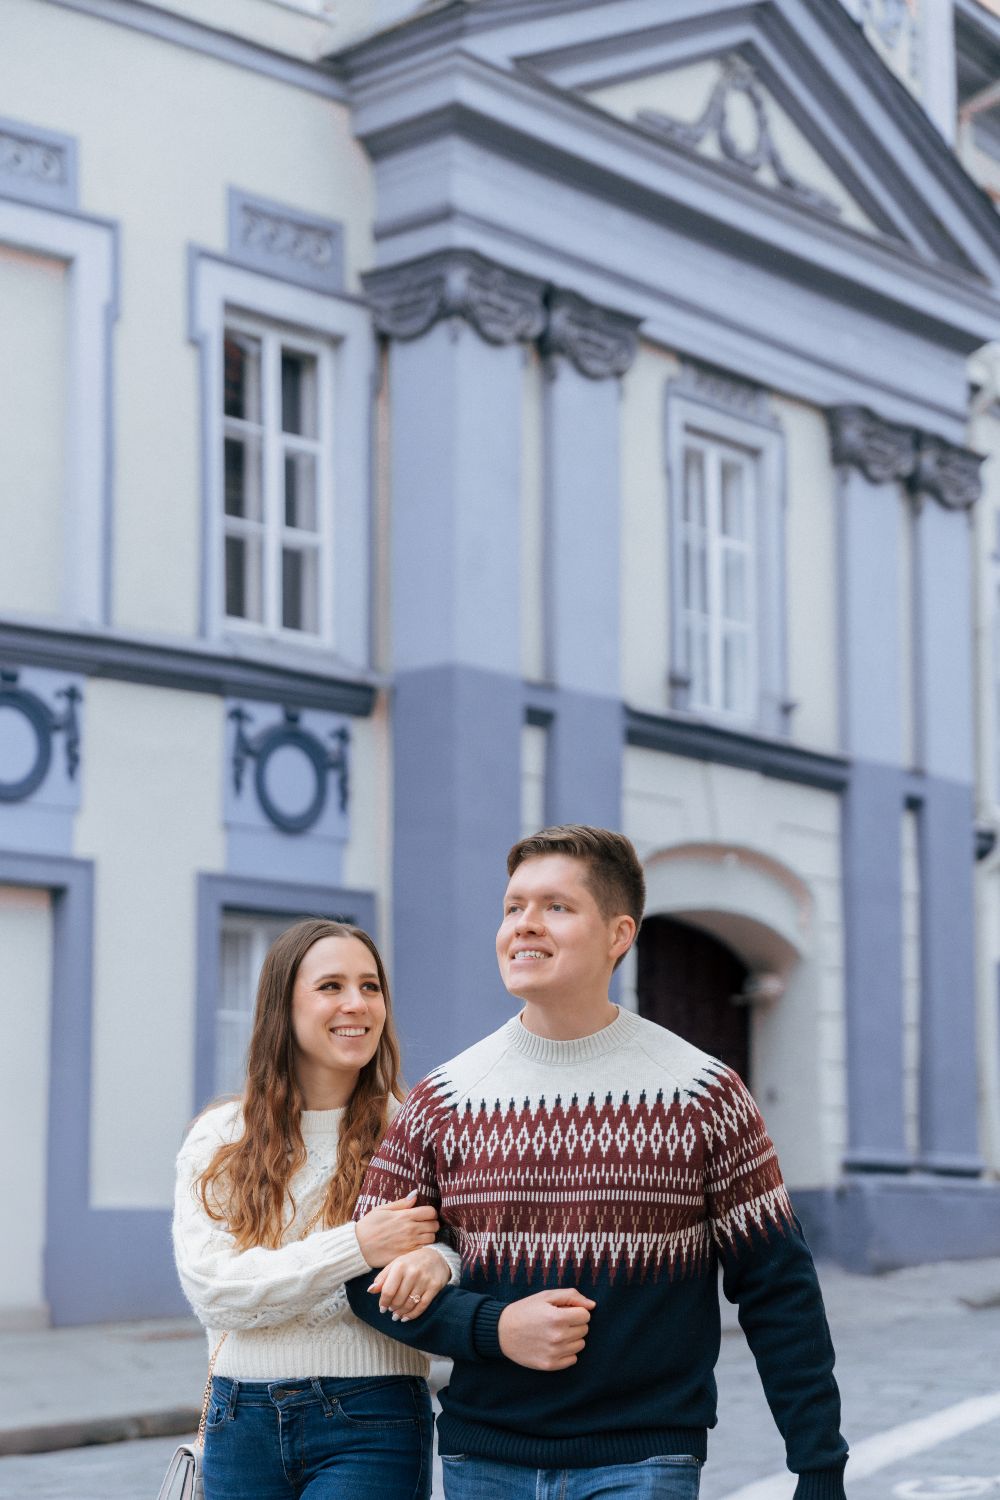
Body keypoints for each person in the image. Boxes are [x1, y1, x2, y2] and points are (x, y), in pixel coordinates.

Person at [345, 825, 849, 1500]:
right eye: (513, 907)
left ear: (618, 934)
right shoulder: (444, 1098)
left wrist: (818, 1464)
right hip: (482, 1461)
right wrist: (494, 1329)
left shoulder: (703, 1093)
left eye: (555, 906)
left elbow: (777, 1286)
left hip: (643, 1462)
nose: (524, 926)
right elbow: (363, 1279)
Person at [172, 918, 460, 1500]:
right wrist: (356, 1246)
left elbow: (463, 1247)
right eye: (330, 986)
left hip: (373, 1414)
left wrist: (441, 1262)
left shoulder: (410, 1131)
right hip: (239, 1418)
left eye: (370, 986)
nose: (357, 1004)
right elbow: (214, 1290)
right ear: (284, 1004)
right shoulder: (221, 1136)